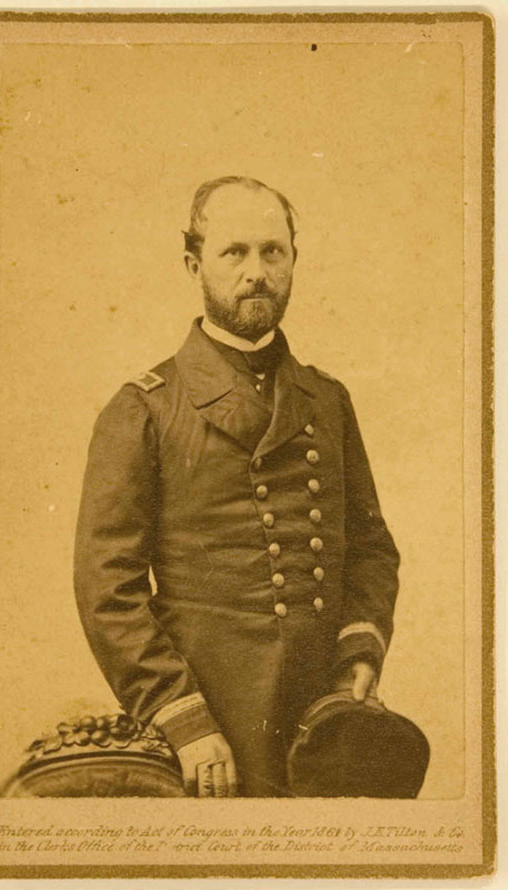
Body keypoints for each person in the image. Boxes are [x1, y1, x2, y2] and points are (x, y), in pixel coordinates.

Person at [74, 175, 400, 798]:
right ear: (195, 264)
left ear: (294, 261)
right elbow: (106, 587)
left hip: (324, 715)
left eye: (273, 252)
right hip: (209, 730)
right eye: (235, 253)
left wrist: (359, 655)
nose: (257, 271)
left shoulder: (327, 401)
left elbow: (371, 548)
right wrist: (183, 719)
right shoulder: (144, 409)